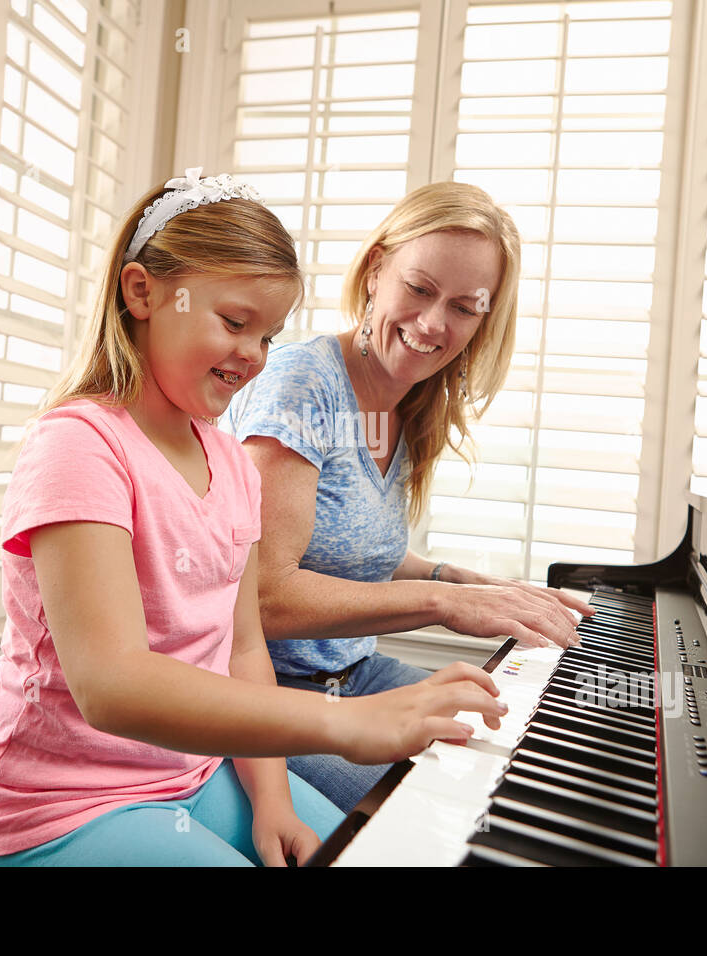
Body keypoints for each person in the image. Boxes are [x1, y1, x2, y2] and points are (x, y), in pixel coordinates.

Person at [0, 169, 506, 866]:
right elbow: (112, 685)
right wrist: (343, 723)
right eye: (234, 323)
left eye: (269, 336)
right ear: (142, 293)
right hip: (68, 805)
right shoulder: (79, 444)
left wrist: (274, 801)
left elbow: (245, 649)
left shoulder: (227, 462)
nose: (253, 356)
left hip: (193, 775)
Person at [226, 181, 594, 813]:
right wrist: (443, 604)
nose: (432, 324)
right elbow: (262, 594)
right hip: (271, 695)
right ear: (375, 270)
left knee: (538, 755)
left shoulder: (411, 401)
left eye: (464, 306)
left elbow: (349, 547)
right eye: (419, 289)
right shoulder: (303, 385)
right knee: (460, 812)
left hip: (356, 676)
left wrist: (473, 584)